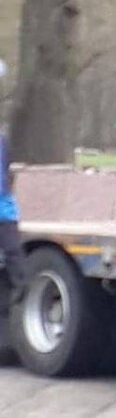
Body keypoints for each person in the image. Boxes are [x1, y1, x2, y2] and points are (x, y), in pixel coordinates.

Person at [0, 125, 25, 366]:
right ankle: (19, 285)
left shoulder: (2, 141)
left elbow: (7, 173)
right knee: (13, 252)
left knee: (13, 253)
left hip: (4, 210)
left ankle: (20, 287)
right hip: (5, 210)